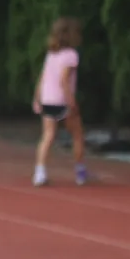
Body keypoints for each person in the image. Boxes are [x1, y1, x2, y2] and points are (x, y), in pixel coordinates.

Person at [31, 17, 89, 187]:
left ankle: (40, 172)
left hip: (48, 99)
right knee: (77, 135)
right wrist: (72, 102)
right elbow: (64, 81)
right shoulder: (71, 55)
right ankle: (80, 172)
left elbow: (43, 77)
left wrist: (37, 97)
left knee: (47, 135)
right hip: (62, 100)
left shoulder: (51, 54)